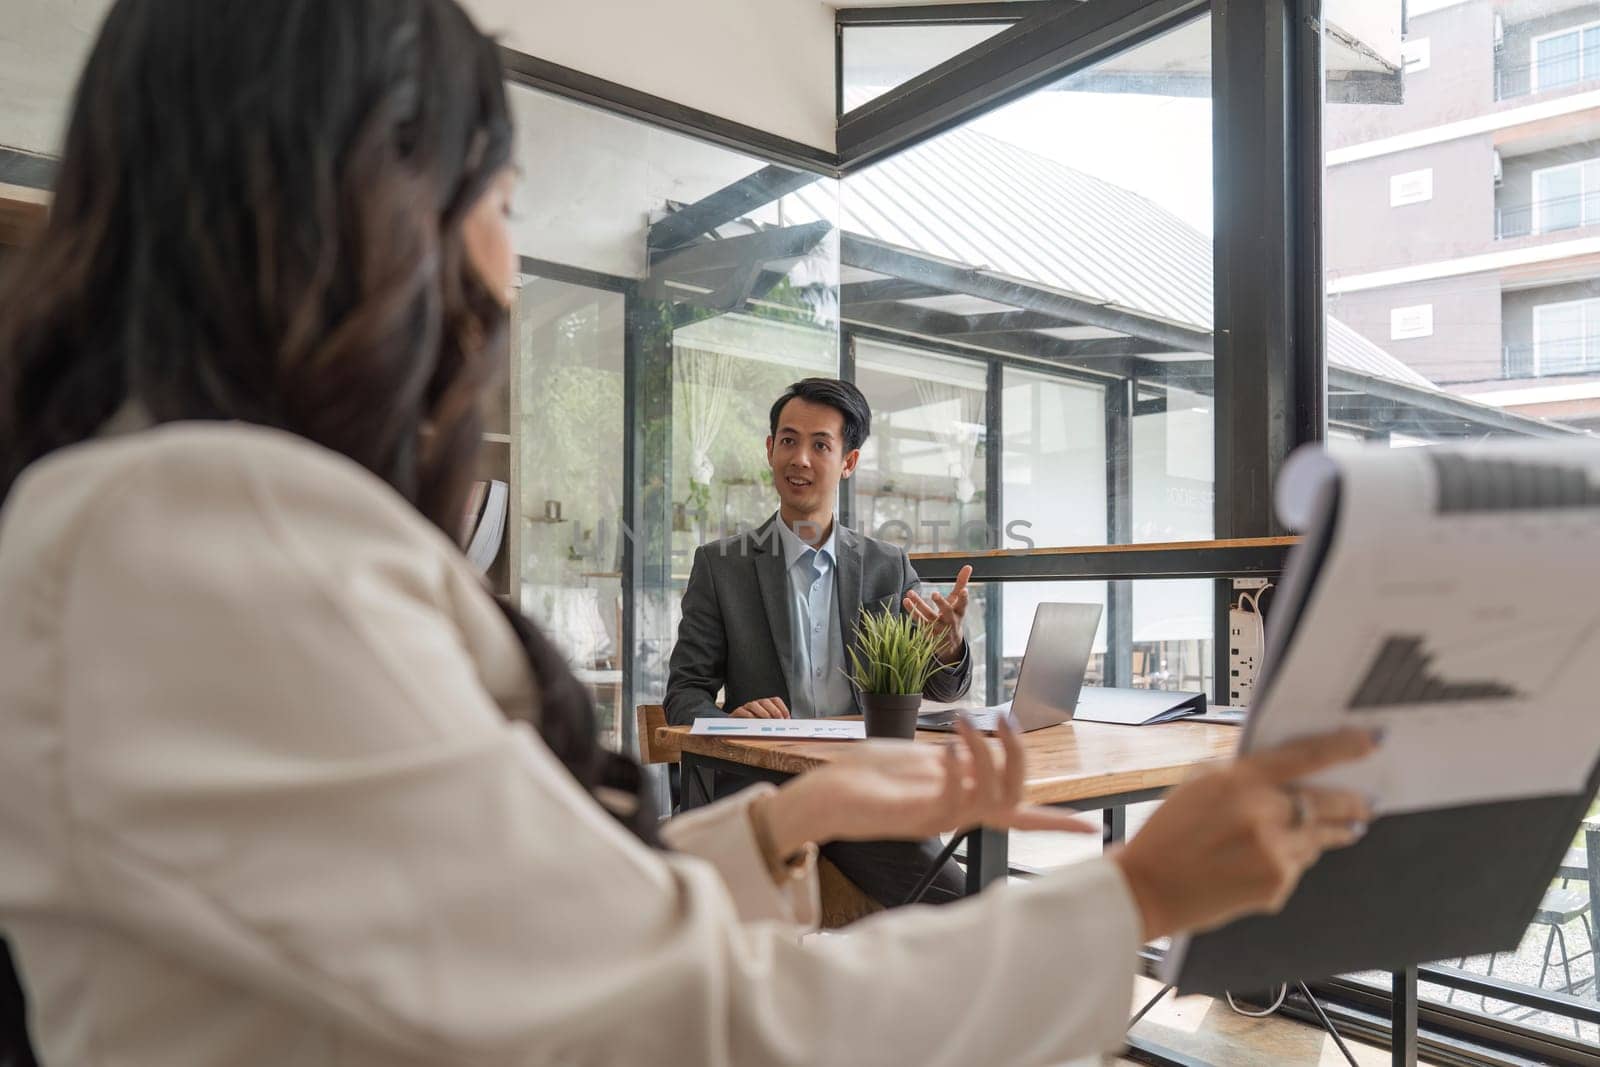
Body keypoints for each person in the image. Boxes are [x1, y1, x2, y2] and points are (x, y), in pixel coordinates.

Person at [0, 2, 1377, 1065]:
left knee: (916, 869)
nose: (498, 264)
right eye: (503, 203)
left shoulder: (181, 522)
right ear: (371, 198)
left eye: (821, 441)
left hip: (800, 824)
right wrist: (1134, 886)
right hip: (748, 852)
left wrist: (796, 812)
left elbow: (510, 932)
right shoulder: (200, 540)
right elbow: (681, 1011)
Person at [667, 376, 983, 906]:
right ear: (769, 450)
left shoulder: (887, 567)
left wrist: (946, 647)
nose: (801, 459)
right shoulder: (721, 567)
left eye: (821, 445)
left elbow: (942, 691)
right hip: (764, 794)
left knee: (963, 904)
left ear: (849, 462)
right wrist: (727, 718)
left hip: (866, 794)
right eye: (789, 441)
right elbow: (684, 693)